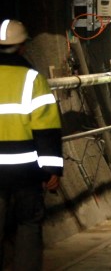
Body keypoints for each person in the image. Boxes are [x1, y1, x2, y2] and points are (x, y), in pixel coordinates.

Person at [0, 19, 63, 270]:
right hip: (26, 172)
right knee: (28, 225)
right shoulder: (32, 79)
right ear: (22, 46)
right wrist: (51, 171)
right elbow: (46, 129)